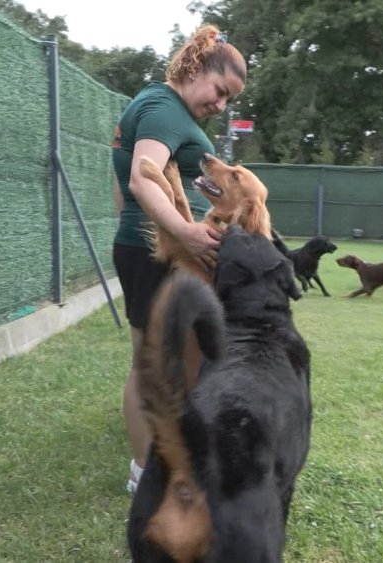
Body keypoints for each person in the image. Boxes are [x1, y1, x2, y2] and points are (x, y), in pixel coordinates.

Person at [110, 25, 246, 494]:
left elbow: (131, 188)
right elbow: (140, 180)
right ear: (198, 70)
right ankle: (144, 474)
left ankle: (170, 452)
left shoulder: (163, 108)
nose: (221, 106)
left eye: (229, 100)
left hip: (153, 249)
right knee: (150, 364)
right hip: (156, 255)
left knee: (174, 360)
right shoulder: (165, 111)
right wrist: (185, 231)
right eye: (220, 91)